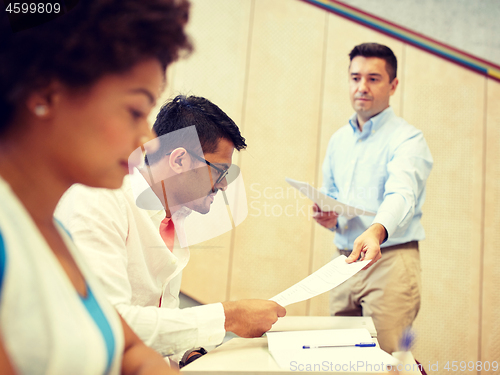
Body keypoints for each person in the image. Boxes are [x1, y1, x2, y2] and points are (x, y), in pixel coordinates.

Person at [0, 0, 193, 373]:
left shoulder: (53, 233)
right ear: (44, 93)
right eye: (135, 111)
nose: (148, 140)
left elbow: (127, 350)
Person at [55, 95, 286, 365]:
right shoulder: (99, 200)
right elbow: (111, 322)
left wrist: (189, 355)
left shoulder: (174, 213)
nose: (224, 185)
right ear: (179, 160)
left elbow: (163, 313)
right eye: (220, 172)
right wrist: (228, 316)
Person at [313, 43, 433, 354]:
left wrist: (376, 230)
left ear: (393, 85)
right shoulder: (339, 139)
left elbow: (402, 194)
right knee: (339, 359)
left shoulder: (408, 139)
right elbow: (335, 195)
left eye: (373, 78)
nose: (361, 87)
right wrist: (331, 217)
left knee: (384, 362)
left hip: (390, 263)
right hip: (345, 261)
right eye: (355, 78)